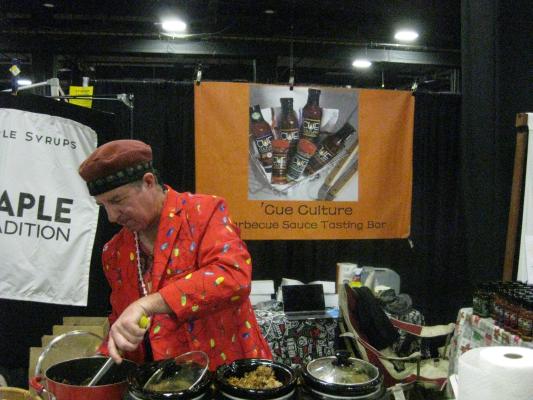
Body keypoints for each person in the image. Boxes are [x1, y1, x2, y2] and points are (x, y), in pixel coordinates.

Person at [78, 139, 272, 369]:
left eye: (117, 200)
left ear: (148, 182)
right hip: (167, 379)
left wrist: (146, 304)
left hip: (229, 371)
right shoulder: (115, 251)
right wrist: (109, 351)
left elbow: (233, 277)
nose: (111, 216)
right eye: (103, 206)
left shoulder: (203, 213)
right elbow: (125, 321)